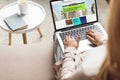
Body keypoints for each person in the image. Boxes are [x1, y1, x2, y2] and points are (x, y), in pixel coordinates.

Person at [54, 0, 120, 80]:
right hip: (96, 49)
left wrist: (70, 49)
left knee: (57, 38)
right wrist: (102, 41)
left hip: (76, 62)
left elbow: (65, 78)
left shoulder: (87, 71)